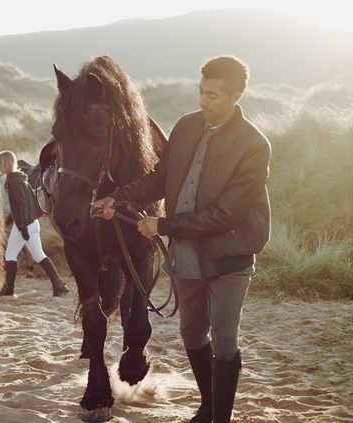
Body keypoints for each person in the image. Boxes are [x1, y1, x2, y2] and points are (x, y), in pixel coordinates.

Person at [94, 55, 271, 423]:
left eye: (214, 96)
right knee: (191, 334)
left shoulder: (255, 145)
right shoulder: (186, 126)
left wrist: (164, 226)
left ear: (237, 96)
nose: (203, 101)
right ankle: (207, 406)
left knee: (224, 339)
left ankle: (218, 417)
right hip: (187, 255)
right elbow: (159, 179)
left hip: (229, 256)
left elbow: (227, 213)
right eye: (201, 92)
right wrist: (120, 197)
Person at [0, 150, 69, 297]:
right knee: (38, 255)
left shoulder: (13, 181)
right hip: (32, 223)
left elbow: (22, 205)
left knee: (10, 254)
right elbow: (18, 207)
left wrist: (22, 227)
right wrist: (6, 222)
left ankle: (9, 288)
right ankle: (59, 285)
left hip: (25, 224)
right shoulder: (20, 178)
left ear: (4, 164)